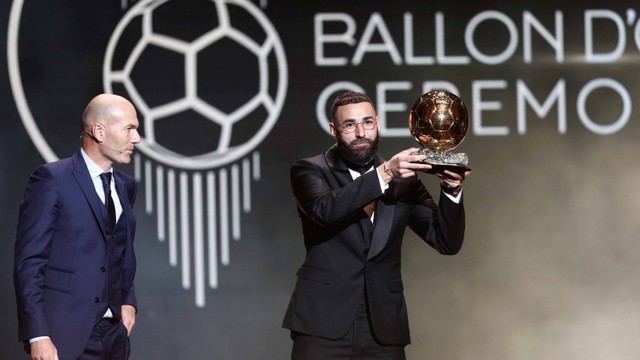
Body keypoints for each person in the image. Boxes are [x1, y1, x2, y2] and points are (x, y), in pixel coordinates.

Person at [282, 91, 469, 360]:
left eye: (367, 122)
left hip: (383, 330)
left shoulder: (406, 182)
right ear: (334, 130)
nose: (361, 132)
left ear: (378, 123)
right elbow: (324, 210)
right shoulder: (310, 170)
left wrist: (451, 190)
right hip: (321, 327)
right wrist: (386, 173)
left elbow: (446, 242)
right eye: (350, 125)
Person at [14, 94, 141, 360]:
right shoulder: (52, 179)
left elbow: (120, 250)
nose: (137, 138)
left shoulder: (125, 186)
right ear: (99, 132)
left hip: (113, 338)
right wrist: (38, 335)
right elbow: (30, 262)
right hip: (65, 339)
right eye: (129, 128)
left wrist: (129, 301)